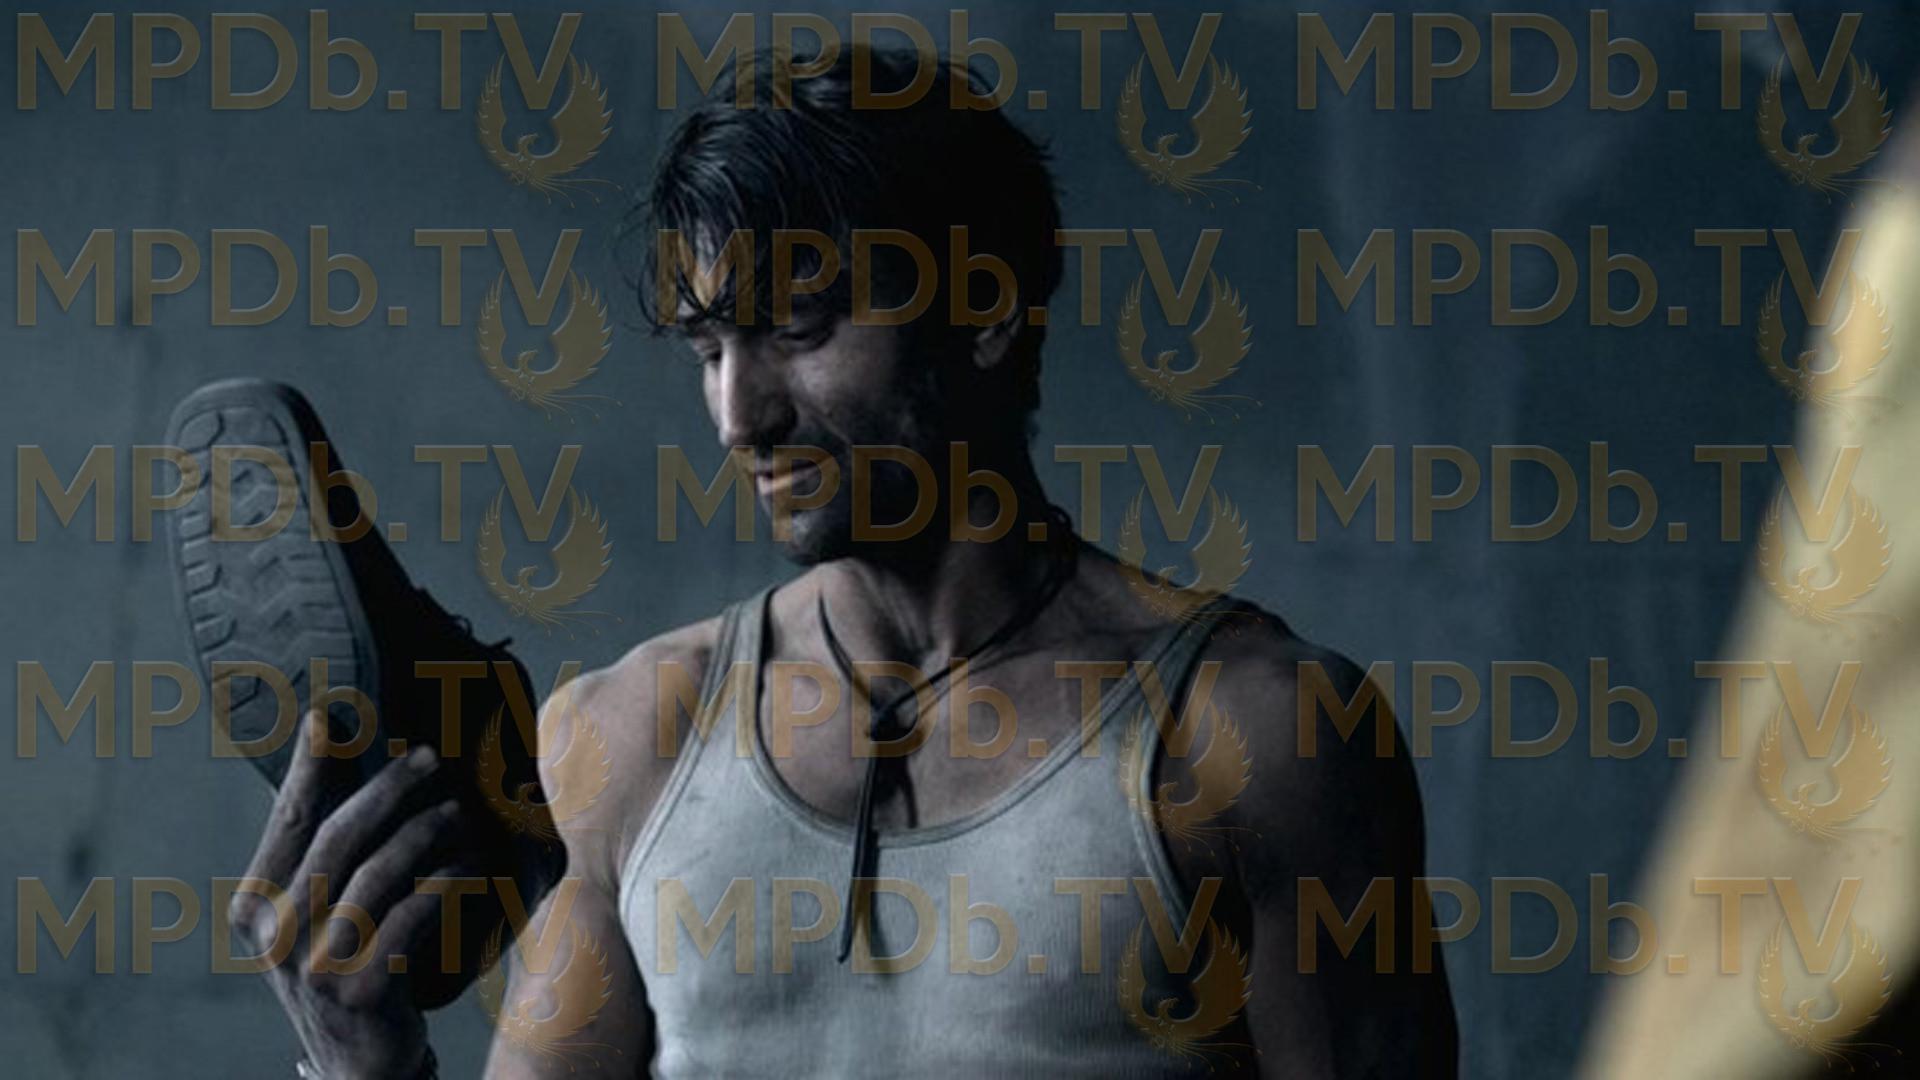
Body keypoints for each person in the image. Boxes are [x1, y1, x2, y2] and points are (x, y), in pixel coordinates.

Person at [220, 47, 1457, 1077]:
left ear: (985, 308)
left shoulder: (1256, 738)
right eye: (709, 348)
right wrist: (362, 1063)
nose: (739, 414)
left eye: (798, 326)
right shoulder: (633, 737)